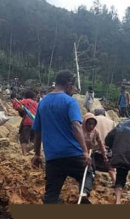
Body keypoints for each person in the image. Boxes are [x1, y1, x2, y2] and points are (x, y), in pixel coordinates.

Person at [31, 70, 93, 204]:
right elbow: (76, 126)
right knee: (88, 173)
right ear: (69, 85)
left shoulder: (43, 102)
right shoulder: (70, 102)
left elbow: (37, 131)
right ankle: (83, 192)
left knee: (51, 196)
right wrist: (84, 151)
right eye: (73, 87)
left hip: (53, 157)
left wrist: (37, 154)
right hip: (73, 154)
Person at [82, 113, 108, 187]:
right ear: (85, 123)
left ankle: (89, 183)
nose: (91, 126)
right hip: (80, 153)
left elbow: (100, 143)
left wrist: (104, 155)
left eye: (93, 124)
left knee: (92, 167)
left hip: (90, 152)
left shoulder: (95, 132)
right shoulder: (80, 131)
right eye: (89, 124)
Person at [94, 108, 117, 185]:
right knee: (111, 168)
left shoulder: (93, 119)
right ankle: (114, 181)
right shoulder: (111, 122)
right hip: (108, 148)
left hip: (96, 148)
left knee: (91, 166)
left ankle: (92, 182)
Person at [12, 90, 38, 156]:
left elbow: (16, 106)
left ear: (25, 96)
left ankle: (24, 154)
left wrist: (14, 102)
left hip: (27, 122)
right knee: (34, 138)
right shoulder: (36, 103)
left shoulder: (24, 101)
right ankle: (35, 153)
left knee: (24, 139)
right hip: (35, 122)